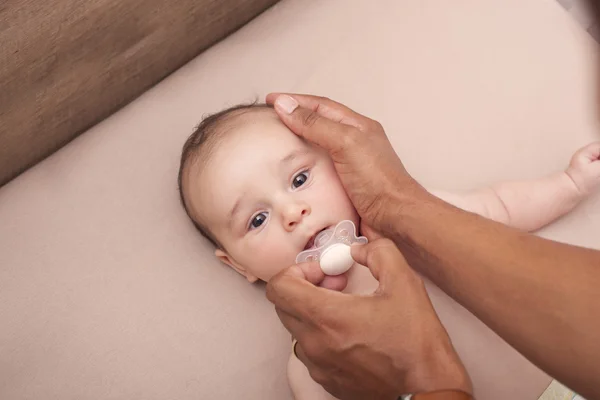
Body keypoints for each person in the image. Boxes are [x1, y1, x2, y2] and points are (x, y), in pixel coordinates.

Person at [177, 99, 600, 399]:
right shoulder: (314, 357)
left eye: (300, 179)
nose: (292, 212)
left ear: (338, 160)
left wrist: (569, 185)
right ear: (238, 266)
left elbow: (500, 207)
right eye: (256, 220)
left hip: (571, 372)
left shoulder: (414, 222)